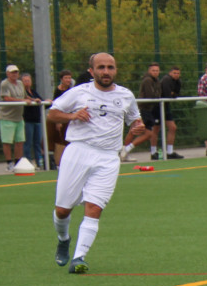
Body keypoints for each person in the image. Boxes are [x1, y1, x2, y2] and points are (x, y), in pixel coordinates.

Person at [46, 52, 141, 274]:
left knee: (94, 207)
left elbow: (135, 119)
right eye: (101, 67)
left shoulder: (126, 95)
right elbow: (53, 114)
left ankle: (79, 258)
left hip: (108, 158)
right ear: (92, 71)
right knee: (62, 209)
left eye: (110, 67)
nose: (106, 71)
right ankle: (63, 239)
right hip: (78, 152)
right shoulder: (79, 92)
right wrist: (72, 116)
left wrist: (138, 127)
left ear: (115, 70)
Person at [123, 62, 161, 161]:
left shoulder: (156, 80)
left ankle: (124, 152)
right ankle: (125, 150)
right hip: (143, 109)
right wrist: (156, 96)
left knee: (136, 130)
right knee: (145, 133)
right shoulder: (148, 80)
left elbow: (158, 93)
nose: (155, 72)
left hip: (148, 109)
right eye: (153, 70)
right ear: (149, 71)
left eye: (157, 70)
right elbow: (150, 95)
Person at [0, 65, 27, 170]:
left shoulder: (20, 83)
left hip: (18, 117)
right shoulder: (4, 84)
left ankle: (18, 162)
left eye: (16, 72)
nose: (15, 74)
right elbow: (6, 98)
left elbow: (25, 96)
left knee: (20, 140)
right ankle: (9, 163)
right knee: (7, 141)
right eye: (12, 72)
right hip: (7, 117)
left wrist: (34, 99)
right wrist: (22, 101)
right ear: (8, 73)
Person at [46, 70, 75, 169]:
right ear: (61, 79)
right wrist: (58, 121)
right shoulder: (58, 91)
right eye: (66, 78)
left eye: (69, 78)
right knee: (60, 140)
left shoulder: (72, 90)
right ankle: (58, 163)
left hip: (70, 118)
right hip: (62, 118)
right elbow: (57, 106)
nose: (68, 80)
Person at [157, 66, 184, 159]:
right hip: (157, 106)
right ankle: (153, 152)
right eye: (174, 73)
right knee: (154, 129)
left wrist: (173, 94)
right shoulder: (166, 80)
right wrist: (172, 94)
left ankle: (170, 152)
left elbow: (176, 94)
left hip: (166, 106)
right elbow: (168, 94)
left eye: (178, 73)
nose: (176, 75)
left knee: (173, 128)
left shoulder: (178, 82)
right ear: (170, 73)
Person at [20, 73, 45, 168]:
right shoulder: (22, 92)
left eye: (28, 80)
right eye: (25, 81)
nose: (27, 83)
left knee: (37, 142)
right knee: (28, 142)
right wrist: (34, 100)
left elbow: (40, 100)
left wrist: (44, 101)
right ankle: (28, 161)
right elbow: (26, 99)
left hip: (37, 120)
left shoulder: (33, 92)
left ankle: (39, 162)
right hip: (28, 120)